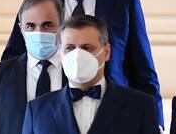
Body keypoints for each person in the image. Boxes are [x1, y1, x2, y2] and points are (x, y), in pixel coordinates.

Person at [2, 0, 164, 127]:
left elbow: (143, 66)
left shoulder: (124, 0)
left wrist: (155, 120)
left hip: (114, 109)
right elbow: (13, 58)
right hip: (53, 109)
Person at [22, 15, 159, 134]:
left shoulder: (140, 105)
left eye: (87, 48)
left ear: (106, 52)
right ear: (60, 52)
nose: (77, 55)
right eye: (69, 48)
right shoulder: (37, 109)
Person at [0, 0, 67, 134]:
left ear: (63, 26)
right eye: (30, 26)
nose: (38, 32)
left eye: (47, 25)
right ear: (21, 28)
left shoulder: (79, 69)